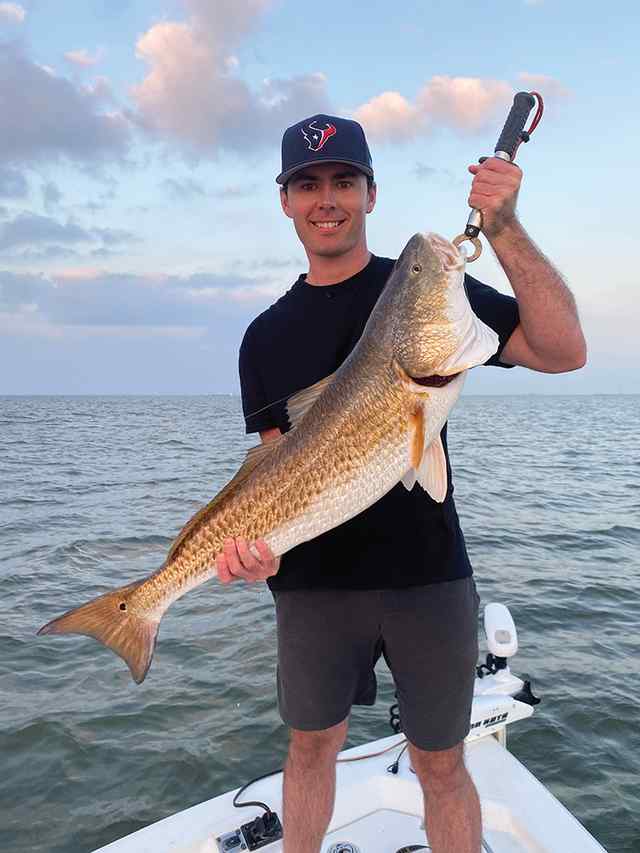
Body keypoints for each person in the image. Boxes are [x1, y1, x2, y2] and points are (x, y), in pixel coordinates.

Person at [215, 114, 586, 853]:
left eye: (344, 182)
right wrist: (261, 551)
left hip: (430, 577)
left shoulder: (422, 289)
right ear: (286, 200)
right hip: (316, 585)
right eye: (310, 184)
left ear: (370, 194)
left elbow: (563, 349)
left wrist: (504, 228)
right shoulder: (264, 335)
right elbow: (280, 465)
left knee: (441, 763)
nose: (328, 199)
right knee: (310, 749)